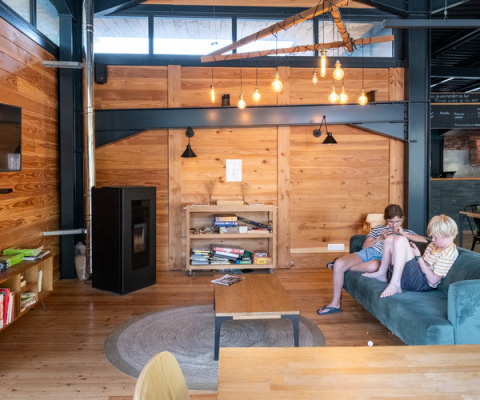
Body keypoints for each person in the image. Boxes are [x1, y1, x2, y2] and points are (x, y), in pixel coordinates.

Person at [317, 204, 426, 315]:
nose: (394, 225)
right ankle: (335, 303)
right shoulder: (379, 229)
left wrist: (403, 233)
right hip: (368, 253)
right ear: (385, 220)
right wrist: (380, 238)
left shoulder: (407, 233)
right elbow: (365, 246)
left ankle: (336, 267)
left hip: (384, 260)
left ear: (402, 219)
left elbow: (424, 240)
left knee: (372, 266)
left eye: (397, 222)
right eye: (390, 222)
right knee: (340, 263)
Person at [363, 215, 458, 298]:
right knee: (390, 238)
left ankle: (395, 284)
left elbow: (433, 281)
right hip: (416, 276)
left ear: (448, 235)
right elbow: (420, 266)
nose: (432, 240)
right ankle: (382, 273)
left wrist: (418, 257)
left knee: (401, 240)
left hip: (422, 284)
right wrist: (410, 254)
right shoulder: (434, 245)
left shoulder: (449, 252)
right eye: (432, 236)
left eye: (436, 237)